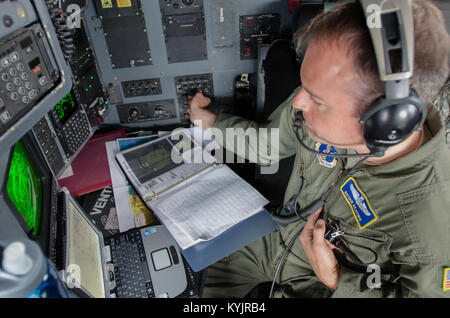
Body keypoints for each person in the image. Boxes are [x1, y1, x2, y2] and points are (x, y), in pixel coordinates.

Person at [188, 0, 450, 297]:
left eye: (317, 99)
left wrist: (338, 280)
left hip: (316, 285)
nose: (298, 103)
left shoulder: (434, 221)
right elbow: (268, 144)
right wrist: (209, 122)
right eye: (305, 88)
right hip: (274, 237)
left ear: (384, 122)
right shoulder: (317, 100)